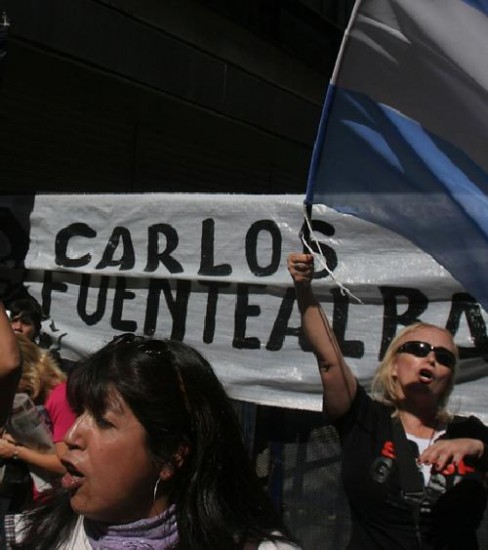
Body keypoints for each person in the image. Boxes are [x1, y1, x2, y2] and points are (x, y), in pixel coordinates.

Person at [13, 334, 299, 550]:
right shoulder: (27, 537)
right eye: (80, 412)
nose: (73, 436)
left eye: (103, 421)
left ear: (171, 457)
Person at [288, 252, 488, 550]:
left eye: (443, 357)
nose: (431, 358)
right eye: (418, 348)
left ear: (449, 377)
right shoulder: (365, 419)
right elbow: (329, 359)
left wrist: (478, 447)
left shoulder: (470, 430)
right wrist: (304, 289)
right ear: (394, 364)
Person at [0, 334, 76, 497]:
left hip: (57, 501)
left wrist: (15, 451)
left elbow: (66, 464)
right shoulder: (41, 401)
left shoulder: (61, 397)